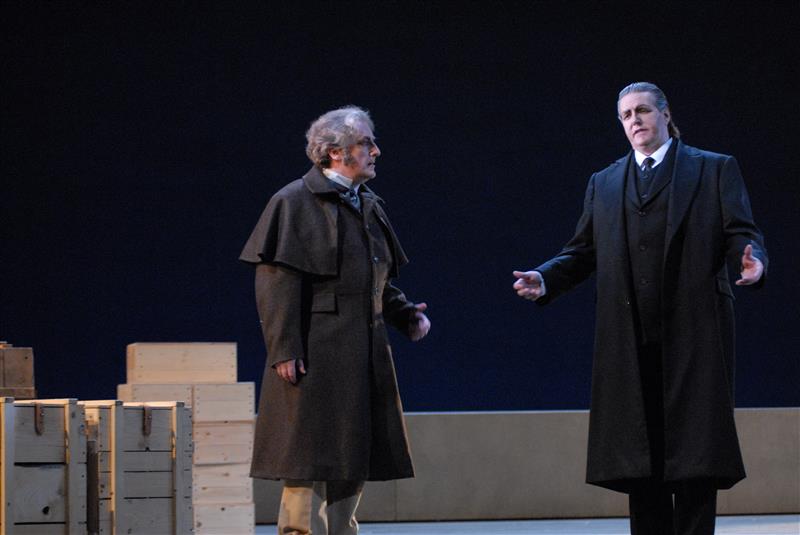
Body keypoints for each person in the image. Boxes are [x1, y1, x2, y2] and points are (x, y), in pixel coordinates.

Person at [512, 82, 766, 535]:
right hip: (629, 338)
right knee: (640, 454)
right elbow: (582, 251)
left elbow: (740, 232)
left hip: (695, 334)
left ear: (665, 115)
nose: (635, 120)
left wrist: (752, 260)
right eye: (626, 115)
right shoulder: (605, 182)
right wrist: (546, 277)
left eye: (643, 110)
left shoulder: (713, 169)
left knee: (695, 455)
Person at [240, 106, 430, 535]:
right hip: (316, 350)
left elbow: (373, 276)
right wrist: (284, 348)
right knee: (307, 455)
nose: (375, 151)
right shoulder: (293, 202)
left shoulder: (368, 204)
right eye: (366, 143)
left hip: (362, 350)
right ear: (336, 152)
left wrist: (404, 315)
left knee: (351, 452)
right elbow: (276, 282)